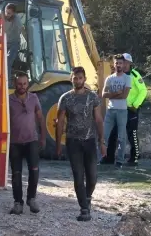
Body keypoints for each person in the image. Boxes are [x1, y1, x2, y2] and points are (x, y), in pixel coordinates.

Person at [56, 66, 105, 222]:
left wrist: (101, 141)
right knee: (78, 176)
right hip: (73, 142)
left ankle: (88, 197)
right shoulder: (65, 98)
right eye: (75, 78)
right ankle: (84, 209)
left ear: (84, 79)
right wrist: (58, 144)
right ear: (71, 79)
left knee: (92, 177)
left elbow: (98, 119)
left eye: (80, 78)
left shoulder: (92, 97)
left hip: (90, 141)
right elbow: (60, 122)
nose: (77, 80)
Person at [8, 73, 46, 215]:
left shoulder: (34, 98)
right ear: (15, 83)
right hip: (15, 142)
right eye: (19, 84)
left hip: (31, 141)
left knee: (34, 171)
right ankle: (18, 203)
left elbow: (40, 118)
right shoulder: (9, 100)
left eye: (24, 84)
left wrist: (43, 137)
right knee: (16, 174)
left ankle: (32, 199)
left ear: (28, 84)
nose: (22, 86)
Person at [104, 53, 148, 166]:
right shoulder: (115, 75)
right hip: (118, 108)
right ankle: (109, 158)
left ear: (129, 63)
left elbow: (143, 91)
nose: (124, 64)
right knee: (114, 134)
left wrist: (135, 105)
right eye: (122, 62)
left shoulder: (134, 75)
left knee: (131, 133)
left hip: (131, 108)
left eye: (126, 62)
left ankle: (135, 158)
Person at [100, 55, 131, 169]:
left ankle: (120, 161)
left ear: (124, 64)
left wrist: (112, 95)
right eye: (116, 63)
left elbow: (124, 95)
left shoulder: (127, 78)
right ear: (114, 64)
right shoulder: (109, 78)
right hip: (110, 110)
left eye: (120, 63)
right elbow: (103, 95)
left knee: (121, 137)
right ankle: (103, 157)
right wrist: (117, 93)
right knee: (104, 135)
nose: (118, 65)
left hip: (122, 111)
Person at [3, 3, 23, 86]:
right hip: (5, 42)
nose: (6, 15)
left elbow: (18, 31)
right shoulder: (2, 16)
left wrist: (7, 22)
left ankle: (7, 84)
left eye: (9, 13)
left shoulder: (17, 21)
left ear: (14, 13)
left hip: (14, 43)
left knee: (7, 60)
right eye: (6, 12)